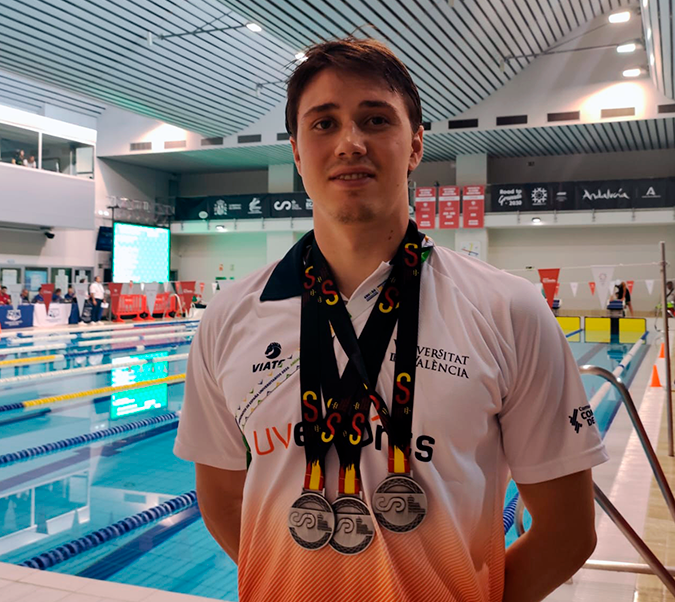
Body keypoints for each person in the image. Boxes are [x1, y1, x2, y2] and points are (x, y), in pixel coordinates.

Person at [173, 38, 605, 602]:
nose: (350, 143)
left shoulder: (508, 309)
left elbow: (569, 533)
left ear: (416, 143)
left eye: (375, 119)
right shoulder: (230, 316)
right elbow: (222, 499)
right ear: (298, 154)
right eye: (323, 124)